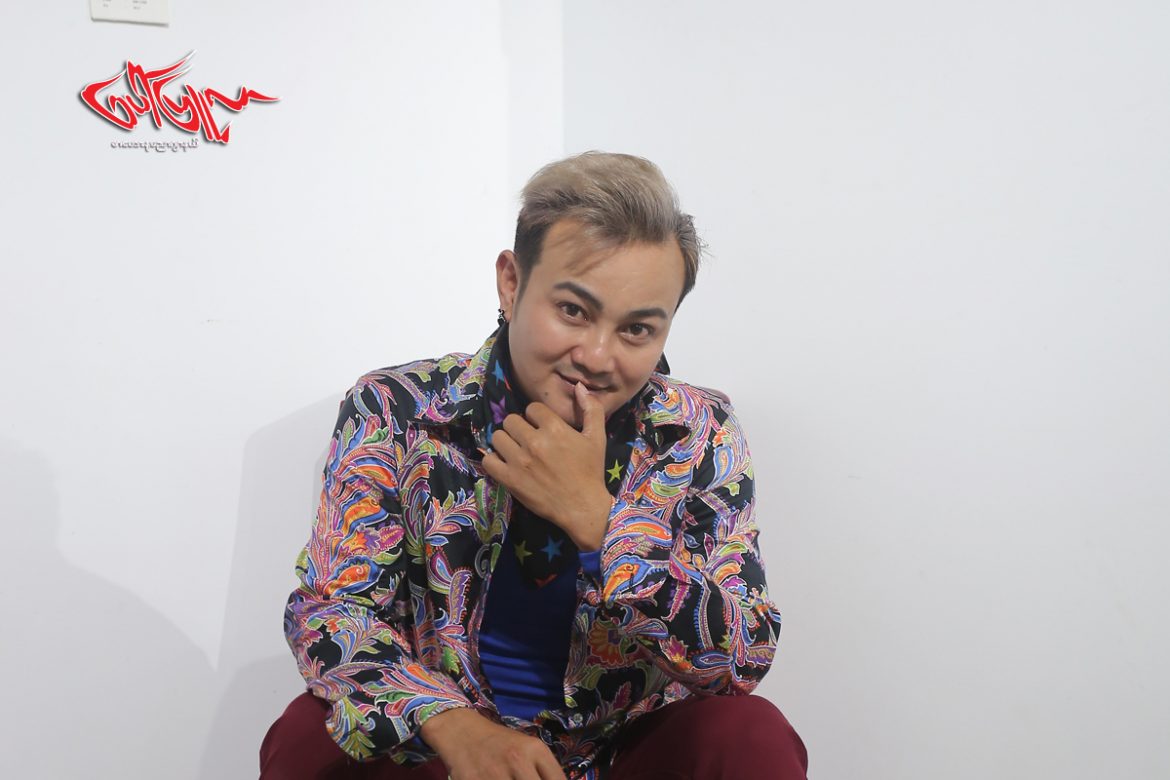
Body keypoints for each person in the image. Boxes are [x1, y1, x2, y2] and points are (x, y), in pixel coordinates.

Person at [260, 151, 808, 779]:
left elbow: (742, 657)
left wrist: (602, 525)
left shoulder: (697, 431)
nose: (596, 356)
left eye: (636, 330)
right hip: (452, 756)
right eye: (573, 310)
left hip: (620, 756)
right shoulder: (398, 410)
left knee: (748, 734)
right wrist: (453, 725)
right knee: (312, 736)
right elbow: (333, 615)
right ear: (512, 283)